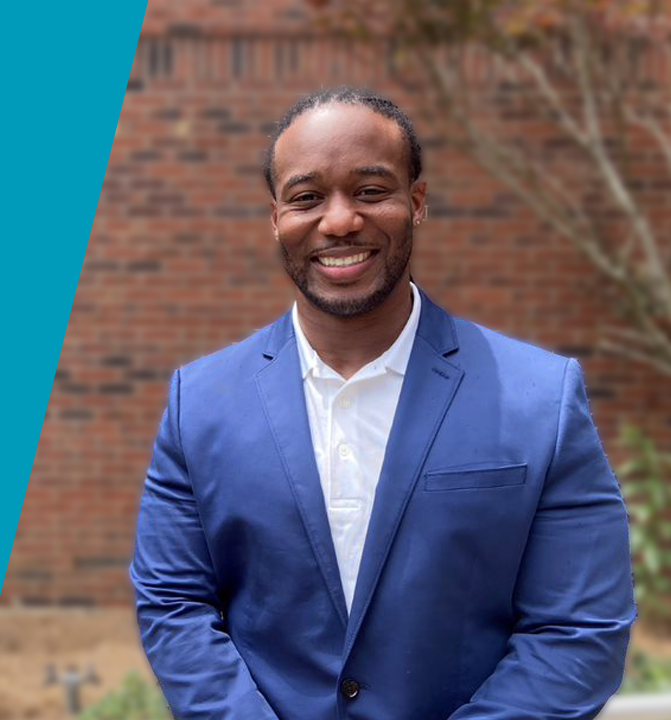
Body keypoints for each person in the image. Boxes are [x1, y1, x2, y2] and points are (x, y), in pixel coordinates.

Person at [129, 86, 635, 720]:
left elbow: (579, 630)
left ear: (416, 203)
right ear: (276, 218)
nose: (339, 220)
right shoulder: (198, 403)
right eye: (307, 197)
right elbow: (175, 607)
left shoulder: (540, 398)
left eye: (370, 191)